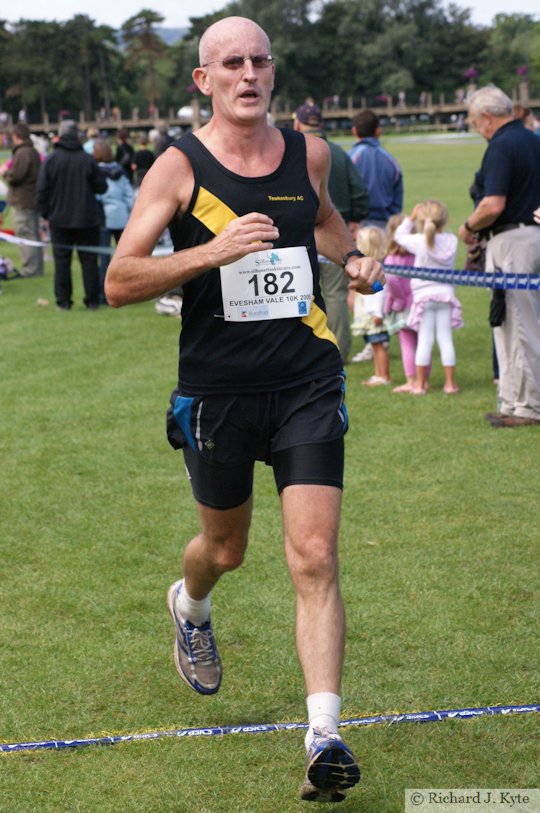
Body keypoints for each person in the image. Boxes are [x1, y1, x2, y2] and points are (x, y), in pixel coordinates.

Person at [105, 15, 385, 804]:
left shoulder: (309, 153)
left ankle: (323, 734)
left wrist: (353, 256)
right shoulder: (176, 168)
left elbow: (323, 223)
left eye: (260, 59)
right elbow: (119, 281)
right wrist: (210, 252)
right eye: (231, 62)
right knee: (223, 551)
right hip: (219, 394)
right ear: (204, 80)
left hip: (306, 380)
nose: (249, 73)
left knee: (314, 555)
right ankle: (189, 605)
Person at [458, 86, 540, 428]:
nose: (478, 129)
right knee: (519, 323)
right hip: (532, 236)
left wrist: (467, 227)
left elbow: (493, 204)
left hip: (511, 240)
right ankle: (511, 400)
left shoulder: (502, 146)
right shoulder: (532, 138)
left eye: (477, 122)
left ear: (487, 117)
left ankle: (527, 407)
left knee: (517, 326)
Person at [293, 100, 369, 364]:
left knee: (299, 293)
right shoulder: (337, 152)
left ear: (297, 123)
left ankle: (304, 350)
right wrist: (355, 218)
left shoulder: (290, 153)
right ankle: (338, 349)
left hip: (300, 235)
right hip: (338, 233)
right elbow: (359, 191)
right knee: (336, 294)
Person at [37, 119, 107, 310]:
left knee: (62, 262)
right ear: (77, 135)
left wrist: (45, 213)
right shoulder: (87, 159)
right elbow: (101, 186)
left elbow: (42, 189)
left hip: (59, 219)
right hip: (86, 218)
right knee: (89, 261)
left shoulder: (51, 160)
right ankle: (92, 300)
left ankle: (64, 301)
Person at [395, 200, 462, 395]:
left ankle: (420, 384)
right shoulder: (452, 241)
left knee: (425, 340)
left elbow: (399, 236)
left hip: (423, 296)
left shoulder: (419, 241)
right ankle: (450, 384)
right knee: (445, 339)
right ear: (444, 219)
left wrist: (411, 218)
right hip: (446, 295)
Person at [383, 213, 421, 393]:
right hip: (420, 304)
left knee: (407, 343)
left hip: (404, 306)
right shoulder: (418, 256)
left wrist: (397, 301)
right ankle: (423, 380)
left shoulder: (391, 259)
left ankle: (411, 380)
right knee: (423, 342)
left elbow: (392, 281)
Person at [0, 123, 44, 277]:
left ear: (17, 136)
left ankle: (30, 269)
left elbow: (17, 176)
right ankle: (36, 268)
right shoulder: (31, 151)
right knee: (33, 235)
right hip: (30, 198)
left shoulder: (23, 153)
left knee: (25, 234)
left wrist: (6, 173)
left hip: (24, 199)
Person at [93, 139, 134, 304]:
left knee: (103, 258)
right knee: (125, 258)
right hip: (121, 215)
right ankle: (129, 291)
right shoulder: (121, 171)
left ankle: (104, 294)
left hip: (103, 215)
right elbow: (128, 194)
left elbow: (97, 194)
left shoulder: (95, 171)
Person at [348, 110, 403, 227]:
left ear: (354, 131)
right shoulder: (390, 160)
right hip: (386, 226)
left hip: (356, 227)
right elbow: (397, 201)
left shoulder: (349, 158)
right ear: (378, 131)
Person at [353, 225, 391, 386]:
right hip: (369, 313)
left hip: (374, 315)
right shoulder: (367, 267)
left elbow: (380, 291)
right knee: (374, 345)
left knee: (378, 345)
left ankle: (384, 376)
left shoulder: (375, 269)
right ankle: (378, 374)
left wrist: (378, 313)